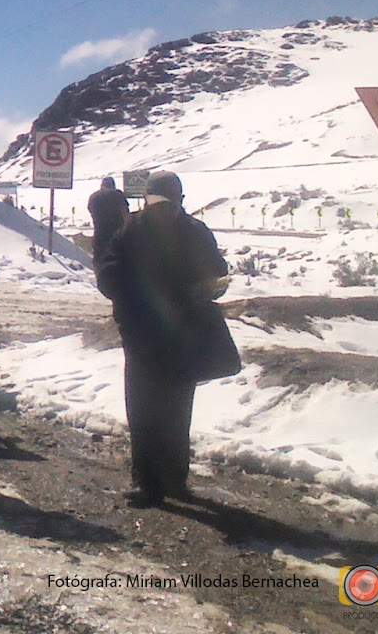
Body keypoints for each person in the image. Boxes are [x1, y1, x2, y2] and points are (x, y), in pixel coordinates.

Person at [96, 169, 229, 507]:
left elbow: (108, 278)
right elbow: (217, 272)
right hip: (172, 334)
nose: (163, 209)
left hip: (147, 334)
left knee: (148, 408)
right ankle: (168, 480)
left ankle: (153, 482)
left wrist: (134, 297)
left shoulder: (132, 228)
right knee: (171, 408)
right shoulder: (192, 230)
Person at [87, 175, 129, 267]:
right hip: (117, 237)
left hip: (99, 237)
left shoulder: (93, 197)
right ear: (113, 185)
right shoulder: (117, 195)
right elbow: (125, 214)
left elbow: (91, 211)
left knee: (100, 265)